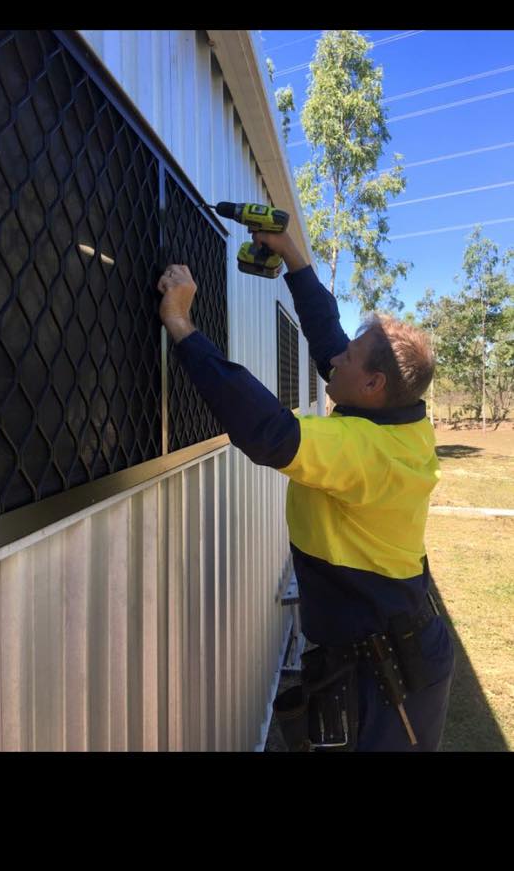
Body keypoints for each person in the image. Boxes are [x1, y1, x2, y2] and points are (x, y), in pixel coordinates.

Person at [157, 226, 455, 753]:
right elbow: (329, 338)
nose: (334, 360)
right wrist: (292, 253)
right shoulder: (400, 417)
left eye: (348, 360)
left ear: (372, 386)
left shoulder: (366, 451)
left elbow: (268, 432)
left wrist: (182, 325)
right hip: (395, 646)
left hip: (389, 677)